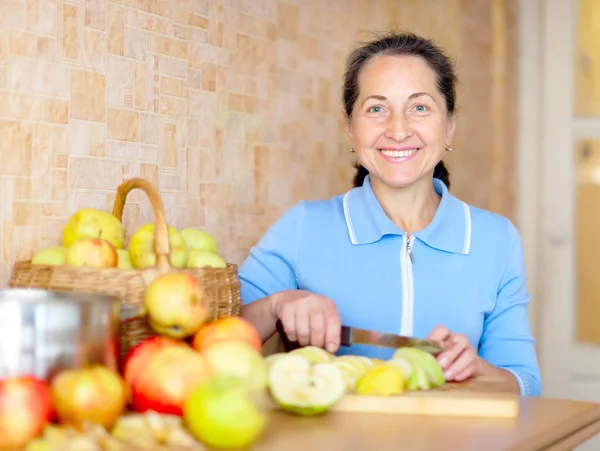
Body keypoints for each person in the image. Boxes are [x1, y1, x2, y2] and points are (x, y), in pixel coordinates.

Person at [238, 32, 541, 397]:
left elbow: (527, 385)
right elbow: (215, 343)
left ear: (449, 126)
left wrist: (477, 369)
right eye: (377, 109)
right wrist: (276, 305)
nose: (398, 130)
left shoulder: (496, 239)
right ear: (350, 128)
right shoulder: (303, 227)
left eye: (419, 107)